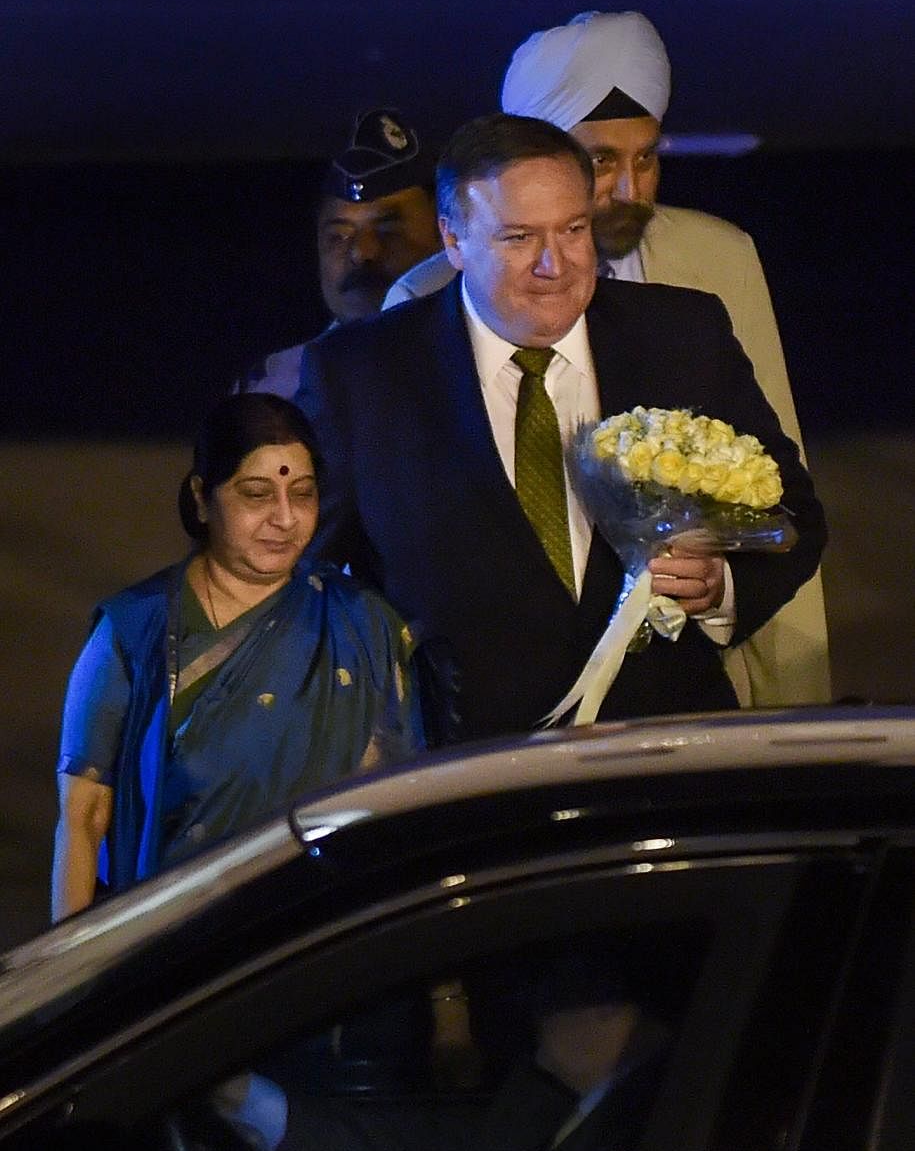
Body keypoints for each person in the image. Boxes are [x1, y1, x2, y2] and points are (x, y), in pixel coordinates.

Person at [295, 113, 827, 742]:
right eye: (518, 238)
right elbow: (313, 579)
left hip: (664, 760)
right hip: (464, 780)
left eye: (573, 230)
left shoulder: (682, 336)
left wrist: (721, 587)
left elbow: (795, 520)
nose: (555, 264)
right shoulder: (361, 376)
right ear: (454, 240)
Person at [383, 11, 830, 709]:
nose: (628, 191)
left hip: (685, 687)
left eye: (645, 158)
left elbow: (773, 484)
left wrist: (767, 664)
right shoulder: (424, 299)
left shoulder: (714, 263)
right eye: (599, 162)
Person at [51, 393, 422, 921]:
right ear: (203, 499)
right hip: (179, 948)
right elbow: (82, 817)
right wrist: (76, 981)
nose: (286, 518)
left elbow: (397, 803)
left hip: (331, 937)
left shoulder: (363, 623)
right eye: (256, 495)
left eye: (303, 493)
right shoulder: (135, 629)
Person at [240, 108, 441, 399]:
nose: (362, 253)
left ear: (446, 236)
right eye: (339, 236)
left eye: (388, 229)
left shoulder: (485, 368)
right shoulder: (276, 387)